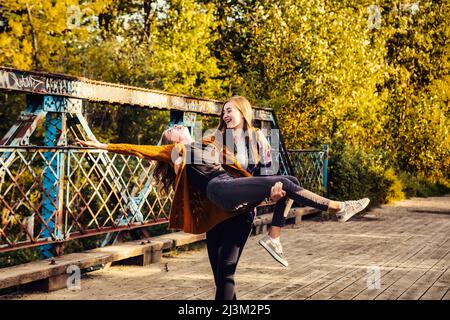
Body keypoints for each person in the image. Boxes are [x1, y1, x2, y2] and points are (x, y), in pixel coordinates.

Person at [76, 124, 370, 270]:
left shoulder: (207, 142)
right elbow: (137, 148)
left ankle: (274, 236)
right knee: (283, 180)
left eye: (175, 127)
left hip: (232, 183)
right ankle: (337, 207)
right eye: (171, 130)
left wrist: (264, 181)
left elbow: (240, 154)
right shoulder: (174, 152)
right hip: (218, 189)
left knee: (289, 181)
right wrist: (102, 145)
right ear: (171, 141)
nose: (176, 128)